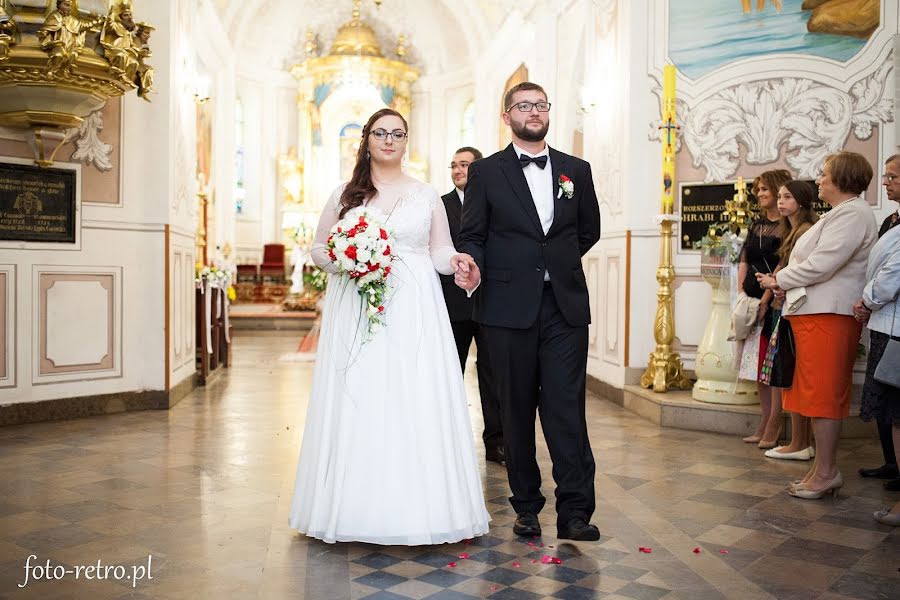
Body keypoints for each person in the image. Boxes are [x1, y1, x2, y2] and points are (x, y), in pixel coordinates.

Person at [288, 108, 490, 544]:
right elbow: (319, 249)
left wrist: (456, 262)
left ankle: (421, 506)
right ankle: (352, 505)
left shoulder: (426, 195)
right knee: (362, 394)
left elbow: (438, 252)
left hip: (415, 307)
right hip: (358, 306)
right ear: (367, 139)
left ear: (406, 140)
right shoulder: (345, 194)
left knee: (411, 394)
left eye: (398, 133)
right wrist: (350, 257)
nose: (389, 140)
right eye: (381, 133)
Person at [456, 82, 602, 540]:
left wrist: (550, 264)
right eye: (524, 105)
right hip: (504, 307)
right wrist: (475, 266)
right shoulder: (485, 172)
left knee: (566, 410)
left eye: (540, 105)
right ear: (507, 116)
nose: (534, 112)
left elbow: (588, 230)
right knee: (515, 409)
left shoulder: (576, 169)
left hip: (563, 306)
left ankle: (575, 512)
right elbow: (473, 232)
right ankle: (526, 505)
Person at [758, 151, 878, 499]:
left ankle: (826, 471)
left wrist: (778, 281)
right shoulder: (841, 213)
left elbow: (823, 264)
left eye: (825, 175)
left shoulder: (854, 213)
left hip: (829, 314)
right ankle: (819, 468)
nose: (819, 181)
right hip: (815, 313)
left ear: (842, 179)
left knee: (823, 393)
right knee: (812, 391)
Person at [440, 146, 505, 465]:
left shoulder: (497, 201)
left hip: (490, 300)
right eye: (453, 165)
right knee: (450, 371)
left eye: (464, 165)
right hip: (451, 304)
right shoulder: (440, 206)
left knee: (492, 373)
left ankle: (496, 441)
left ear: (478, 169)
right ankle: (447, 439)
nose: (457, 170)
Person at [855, 154, 900, 504]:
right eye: (885, 176)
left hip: (892, 319)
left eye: (893, 176)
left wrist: (866, 300)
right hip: (881, 320)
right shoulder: (891, 220)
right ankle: (891, 462)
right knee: (885, 402)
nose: (886, 182)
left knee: (894, 403)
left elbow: (890, 277)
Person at [763, 180, 818, 461]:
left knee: (794, 374)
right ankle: (799, 441)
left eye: (787, 197)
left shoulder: (806, 231)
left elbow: (800, 271)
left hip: (798, 308)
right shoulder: (792, 230)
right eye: (780, 196)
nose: (780, 202)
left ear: (802, 200)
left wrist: (775, 283)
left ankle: (800, 442)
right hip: (790, 307)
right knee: (790, 374)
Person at [739, 169, 791, 449]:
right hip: (751, 302)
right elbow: (745, 258)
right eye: (757, 190)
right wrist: (741, 294)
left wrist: (765, 301)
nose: (759, 194)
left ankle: (775, 422)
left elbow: (784, 265)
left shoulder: (787, 226)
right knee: (758, 367)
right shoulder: (757, 224)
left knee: (772, 367)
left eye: (764, 190)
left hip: (772, 303)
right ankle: (764, 420)